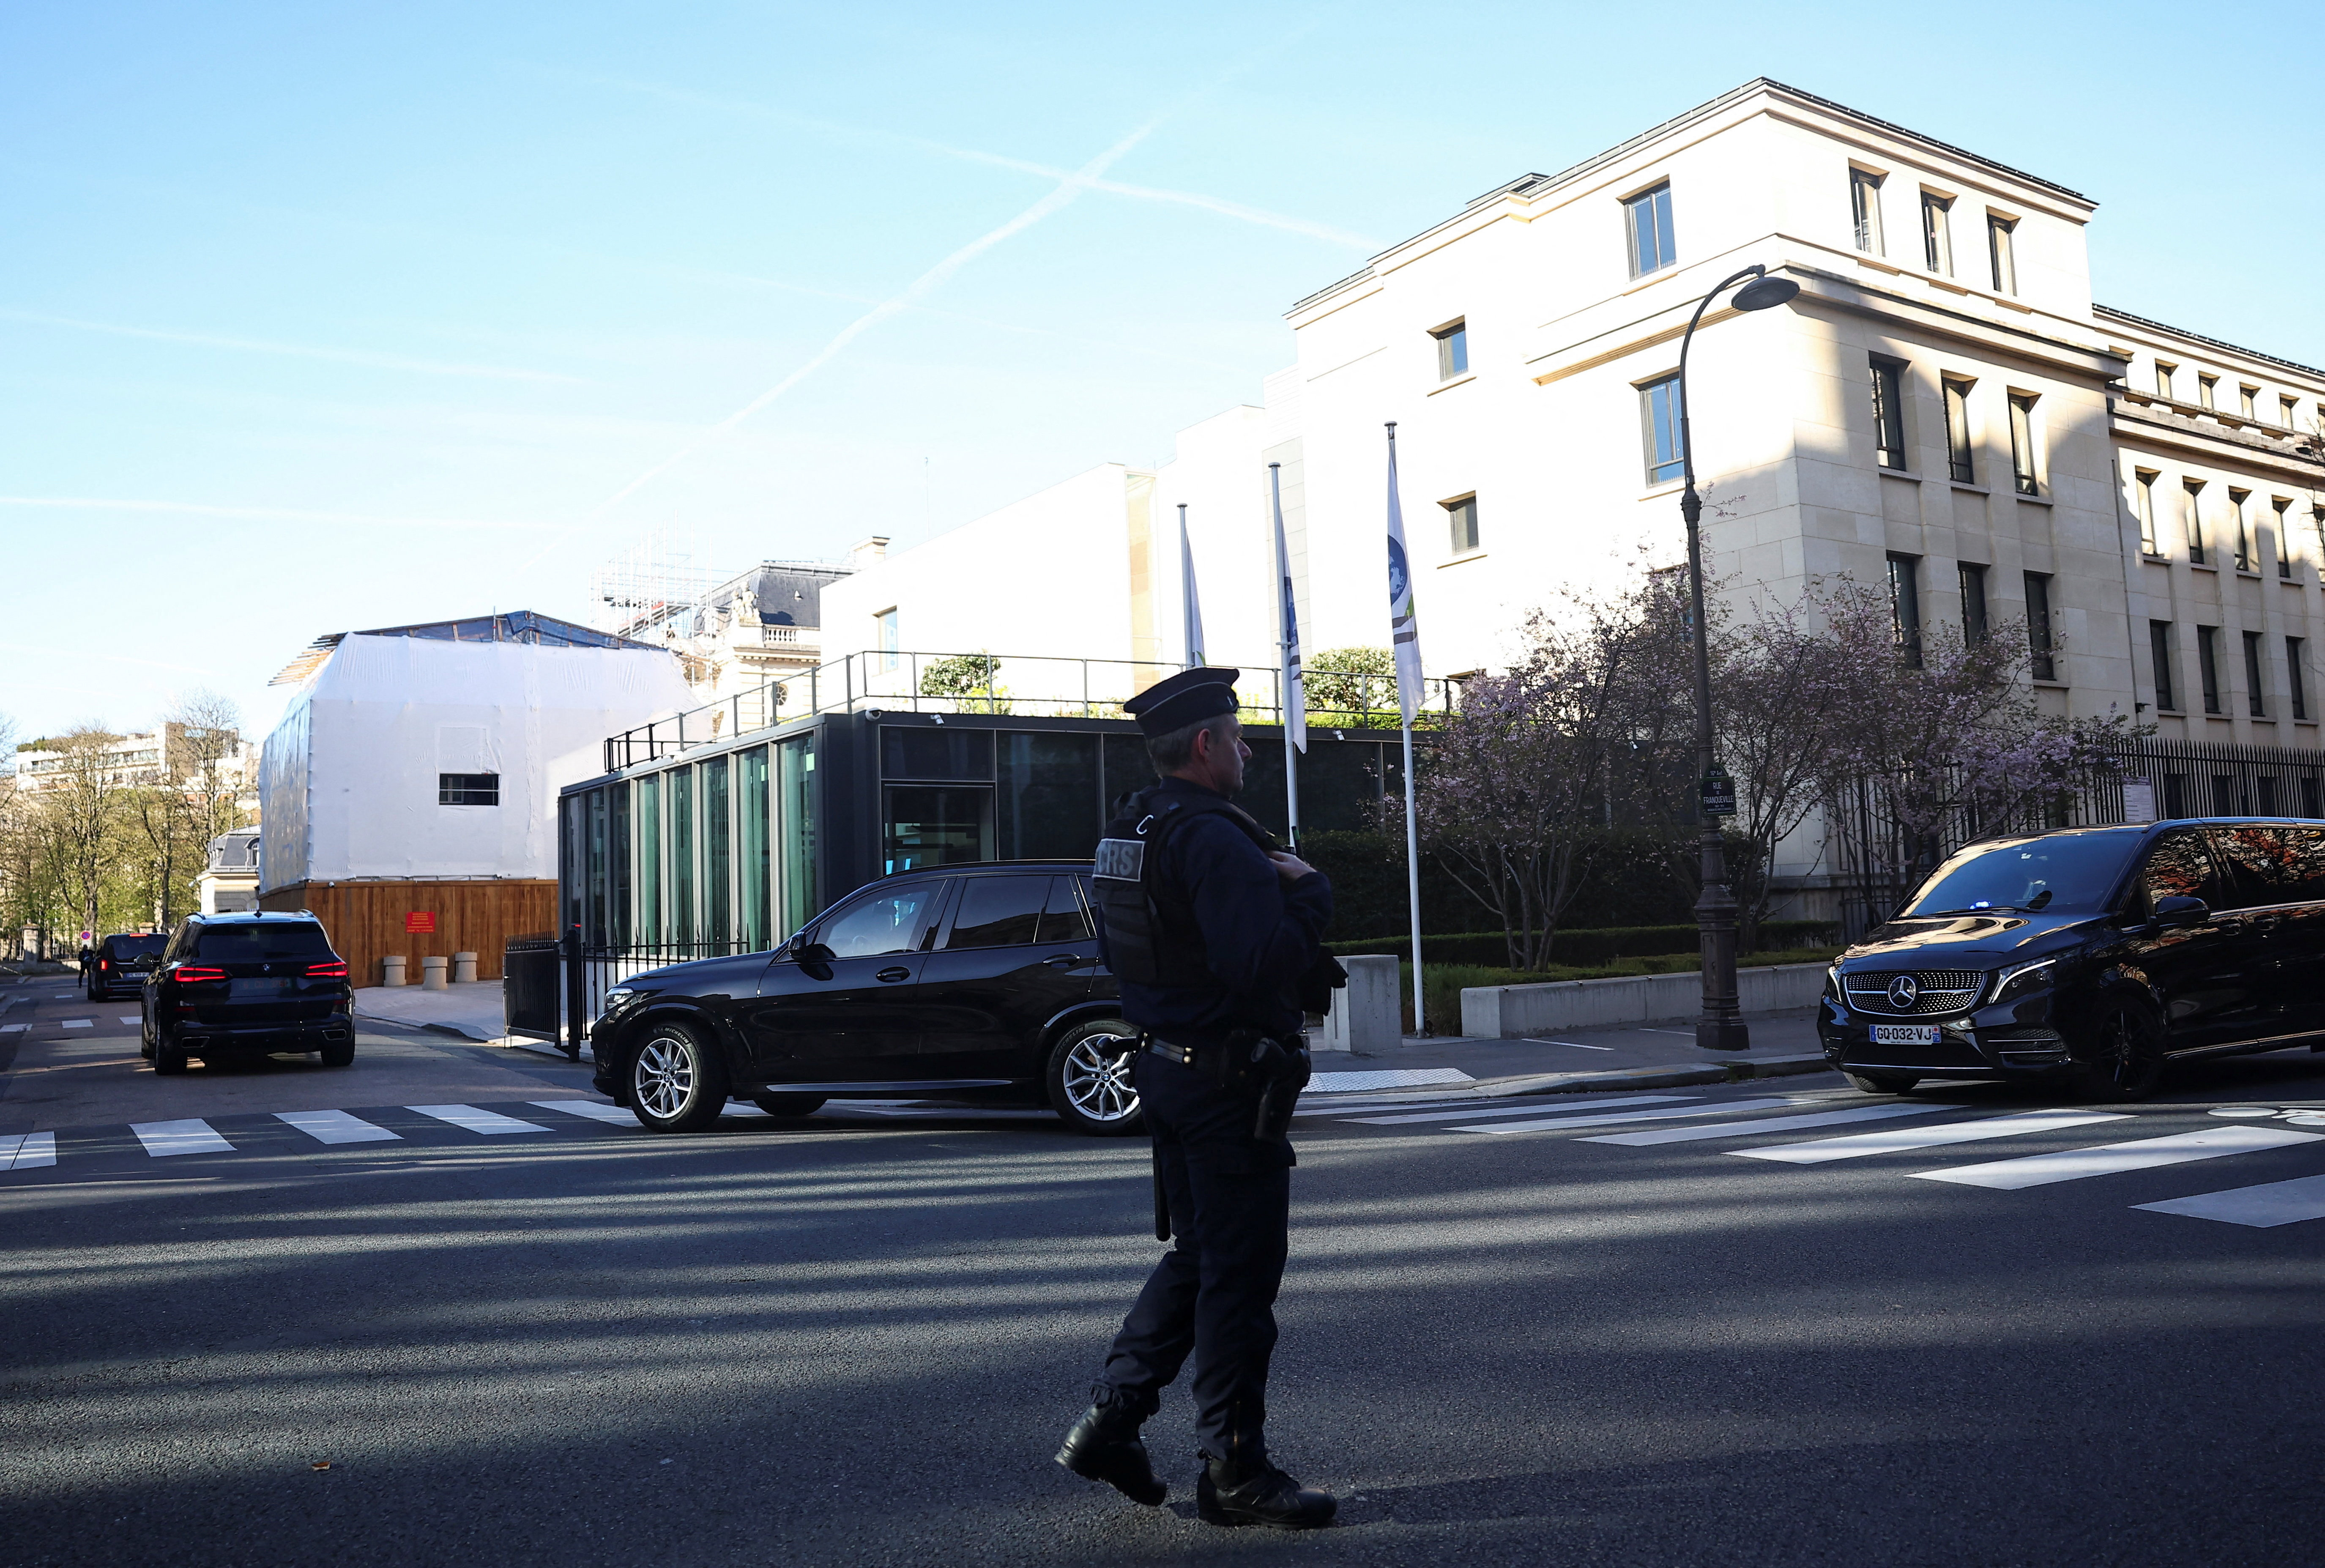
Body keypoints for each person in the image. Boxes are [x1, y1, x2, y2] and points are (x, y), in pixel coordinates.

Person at [1055, 666, 1341, 1530]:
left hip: (1167, 1068)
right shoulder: (1215, 837)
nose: (1249, 749)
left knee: (1199, 1257)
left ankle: (1111, 1420)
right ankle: (1234, 1469)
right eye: (1240, 735)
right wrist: (1313, 893)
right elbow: (1256, 962)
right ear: (1207, 745)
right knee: (1239, 1278)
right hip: (1225, 1083)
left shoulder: (1131, 827)